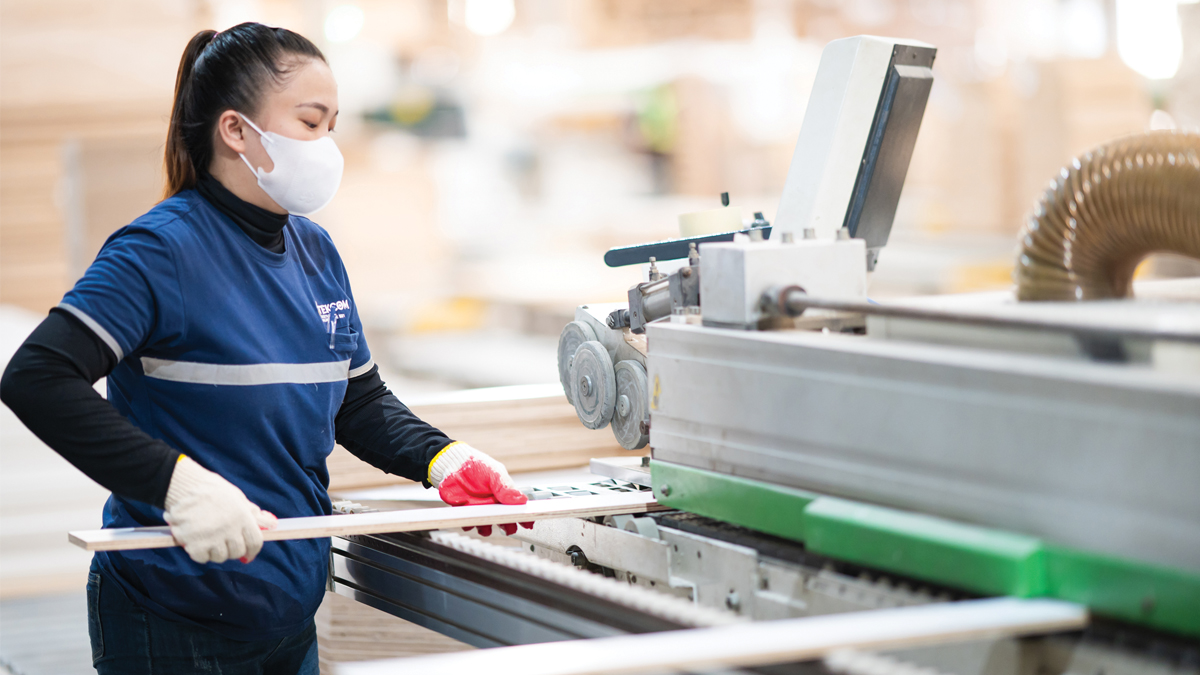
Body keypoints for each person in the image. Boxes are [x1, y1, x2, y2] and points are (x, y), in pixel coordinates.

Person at [0, 22, 527, 675]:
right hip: (172, 618)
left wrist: (442, 457)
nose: (328, 146)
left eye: (333, 125)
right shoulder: (161, 252)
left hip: (287, 615)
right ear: (237, 131)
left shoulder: (316, 251)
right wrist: (178, 486)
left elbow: (356, 400)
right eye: (311, 123)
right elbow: (37, 375)